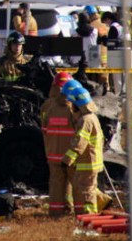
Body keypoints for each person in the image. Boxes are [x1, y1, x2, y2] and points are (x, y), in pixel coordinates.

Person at [60, 79, 104, 215]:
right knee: (90, 188)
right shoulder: (92, 117)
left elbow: (79, 143)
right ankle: (94, 211)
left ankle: (89, 216)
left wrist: (67, 160)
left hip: (87, 162)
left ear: (77, 105)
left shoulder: (85, 121)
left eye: (72, 104)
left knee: (86, 191)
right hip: (93, 161)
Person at [40, 71, 76, 217]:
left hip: (53, 152)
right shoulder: (73, 105)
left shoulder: (46, 106)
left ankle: (56, 212)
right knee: (75, 183)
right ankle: (75, 209)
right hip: (70, 153)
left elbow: (44, 129)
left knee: (56, 184)